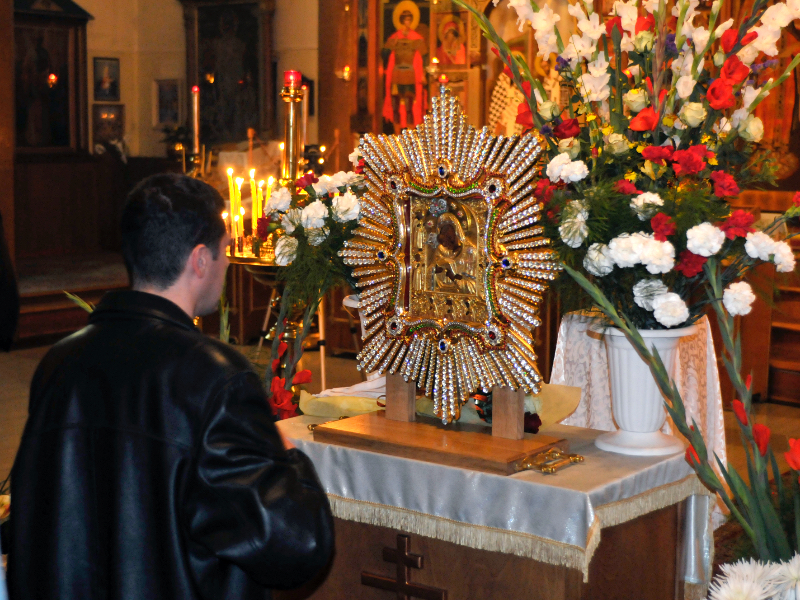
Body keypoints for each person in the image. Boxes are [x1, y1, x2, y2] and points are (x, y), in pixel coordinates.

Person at [6, 174, 334, 599]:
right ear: (200, 260)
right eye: (223, 251)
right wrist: (287, 456)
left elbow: (38, 525)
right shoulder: (216, 377)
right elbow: (294, 548)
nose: (228, 263)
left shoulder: (59, 364)